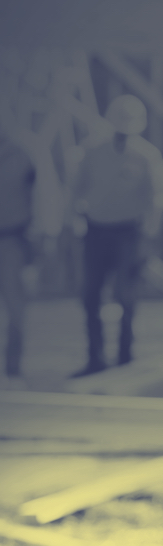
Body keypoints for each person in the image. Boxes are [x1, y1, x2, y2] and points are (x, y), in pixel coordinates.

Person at [69, 94, 163, 377]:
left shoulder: (146, 156)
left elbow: (155, 198)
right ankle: (95, 358)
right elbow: (76, 190)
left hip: (128, 233)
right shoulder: (92, 151)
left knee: (126, 296)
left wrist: (150, 234)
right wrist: (72, 224)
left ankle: (125, 356)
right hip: (96, 231)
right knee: (91, 296)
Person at [0, 129, 36, 386]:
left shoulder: (24, 152)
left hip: (11, 238)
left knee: (15, 306)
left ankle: (13, 367)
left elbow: (40, 196)